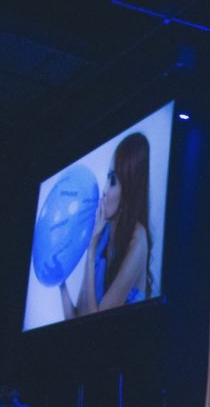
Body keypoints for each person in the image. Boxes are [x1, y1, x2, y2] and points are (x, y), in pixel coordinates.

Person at [60, 132, 153, 318]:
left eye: (112, 180)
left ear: (129, 188)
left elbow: (97, 322)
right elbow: (77, 317)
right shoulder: (103, 234)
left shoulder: (138, 240)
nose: (104, 191)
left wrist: (91, 250)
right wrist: (60, 279)